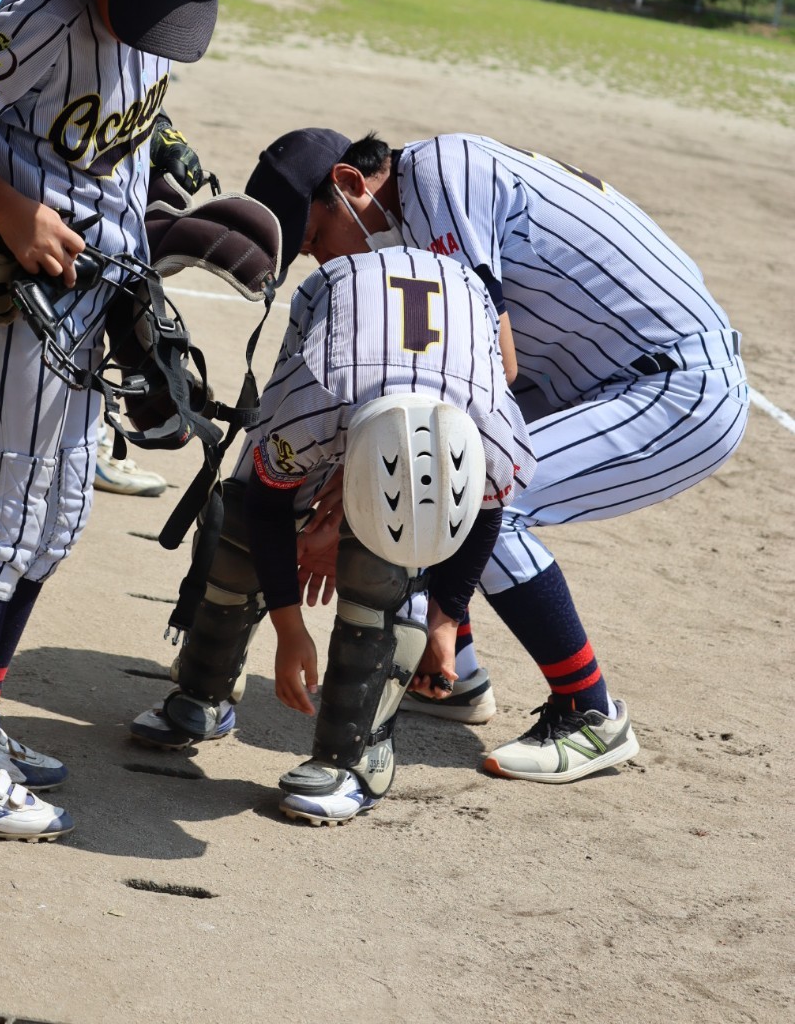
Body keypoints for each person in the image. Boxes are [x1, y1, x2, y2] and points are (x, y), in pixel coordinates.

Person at [242, 126, 749, 784]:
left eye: (314, 241)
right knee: (430, 467)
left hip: (674, 388)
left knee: (479, 490)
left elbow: (497, 366)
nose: (323, 264)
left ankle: (588, 713)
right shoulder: (419, 209)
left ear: (348, 185)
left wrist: (351, 493)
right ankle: (455, 676)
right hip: (595, 376)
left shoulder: (435, 175)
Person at [0, 0, 239, 840]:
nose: (155, 28)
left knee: (58, 514)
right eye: (144, 1)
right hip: (13, 286)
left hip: (92, 292)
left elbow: (125, 119)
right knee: (4, 522)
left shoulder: (154, 19)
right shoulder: (38, 19)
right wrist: (8, 204)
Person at [131, 245, 535, 823]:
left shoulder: (494, 434)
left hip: (426, 358)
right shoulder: (316, 394)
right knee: (239, 528)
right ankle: (205, 687)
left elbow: (485, 516)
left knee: (382, 573)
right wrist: (290, 630)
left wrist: (446, 622)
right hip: (342, 314)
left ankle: (357, 756)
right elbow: (269, 504)